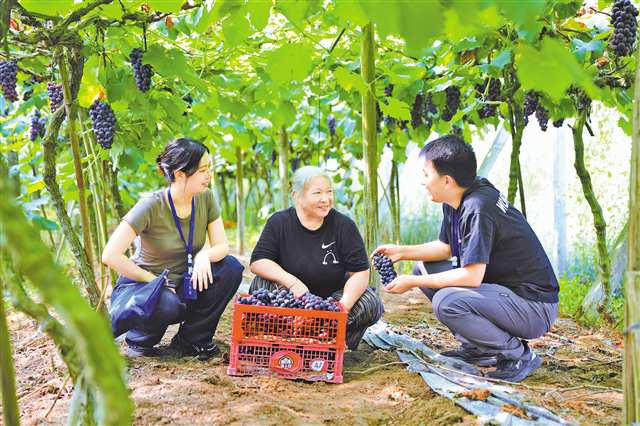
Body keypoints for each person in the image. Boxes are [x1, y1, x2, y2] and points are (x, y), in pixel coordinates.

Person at [374, 134, 558, 382]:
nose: (422, 182)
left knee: (448, 301)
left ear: (447, 180)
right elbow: (445, 247)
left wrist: (412, 283)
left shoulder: (478, 207)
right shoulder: (457, 198)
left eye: (426, 175)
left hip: (534, 307)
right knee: (424, 269)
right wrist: (401, 252)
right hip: (506, 296)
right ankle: (480, 348)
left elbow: (472, 276)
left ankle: (518, 356)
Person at [102, 138, 243, 360]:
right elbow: (110, 254)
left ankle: (192, 339)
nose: (209, 176)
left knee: (230, 269)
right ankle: (139, 338)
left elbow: (222, 245)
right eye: (203, 170)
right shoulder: (151, 205)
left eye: (210, 169)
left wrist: (204, 255)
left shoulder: (205, 198)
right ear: (179, 174)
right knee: (168, 304)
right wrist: (152, 280)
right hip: (144, 288)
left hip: (182, 282)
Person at [250, 166, 384, 350]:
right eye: (317, 193)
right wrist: (293, 283)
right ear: (296, 196)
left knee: (370, 301)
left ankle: (326, 338)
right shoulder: (279, 222)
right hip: (291, 299)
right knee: (260, 285)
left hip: (331, 300)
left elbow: (360, 273)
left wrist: (341, 307)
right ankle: (285, 339)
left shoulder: (344, 226)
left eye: (329, 192)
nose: (326, 199)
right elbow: (258, 261)